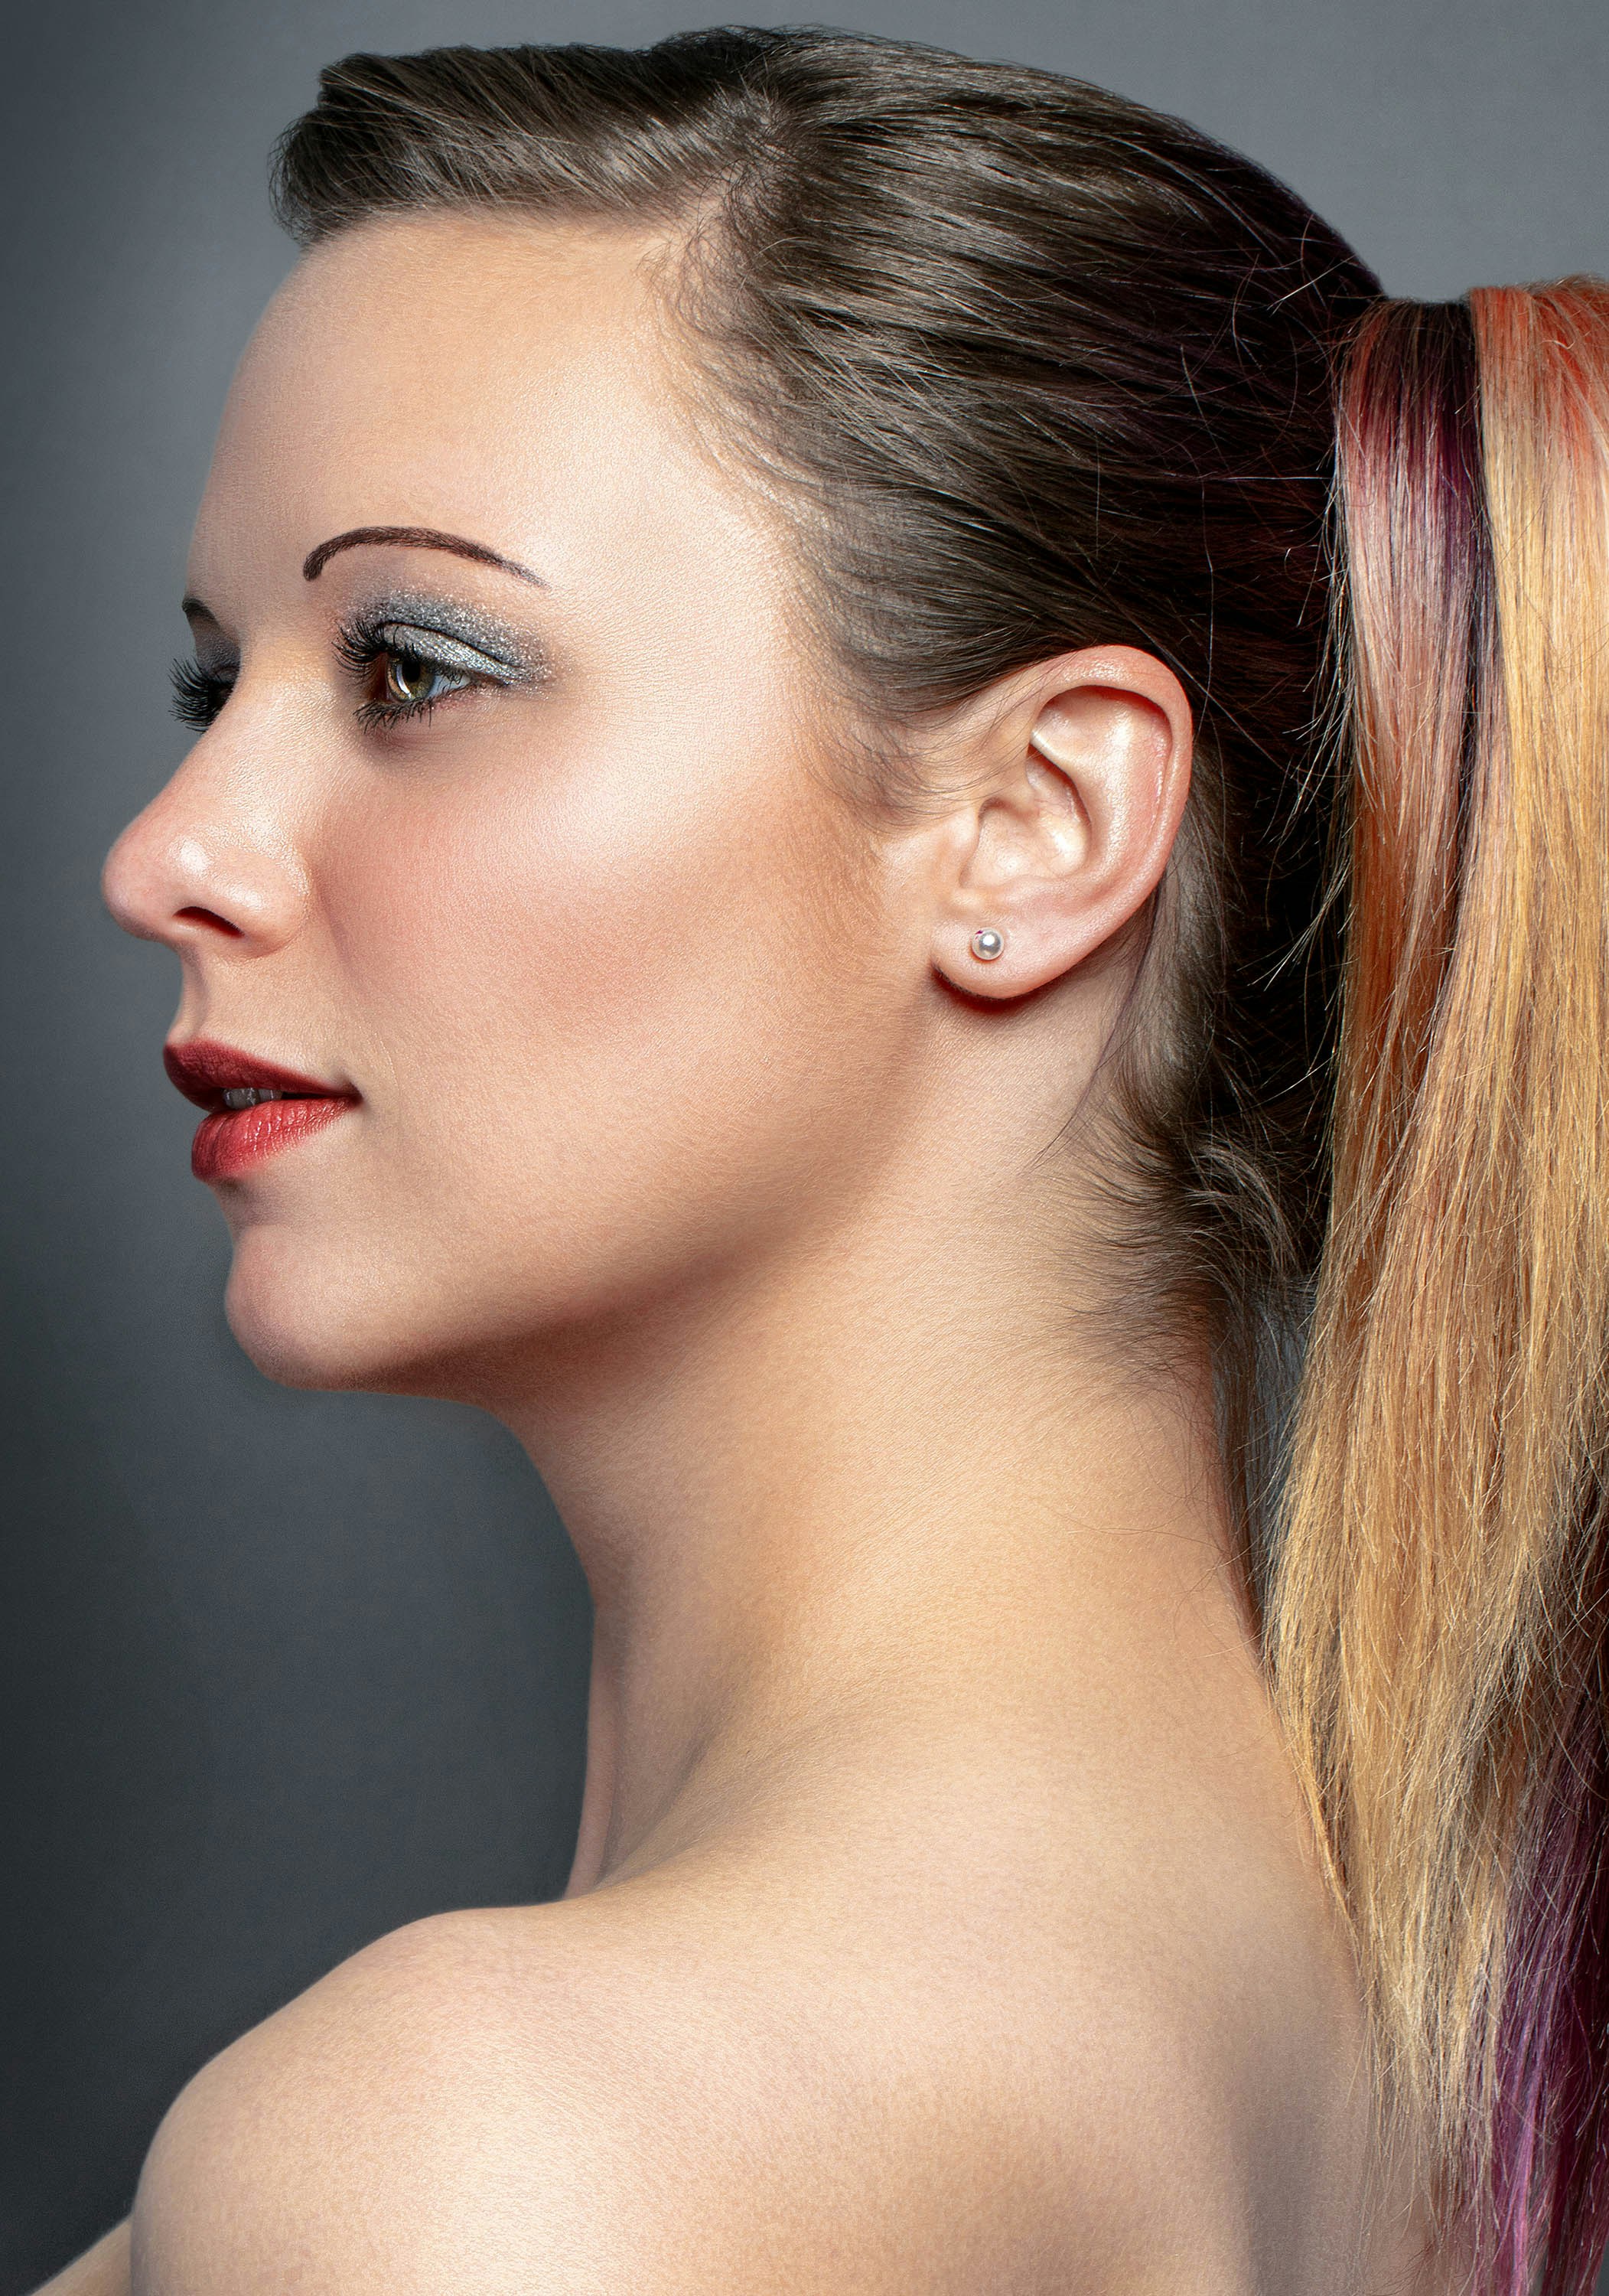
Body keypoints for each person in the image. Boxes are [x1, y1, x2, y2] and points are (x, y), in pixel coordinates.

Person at [37, 25, 1609, 2295]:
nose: (165, 854)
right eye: (217, 685)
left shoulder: (488, 2165)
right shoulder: (1423, 2111)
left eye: (413, 667)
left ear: (1035, 828)